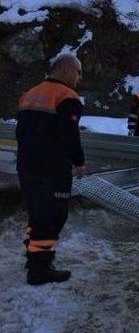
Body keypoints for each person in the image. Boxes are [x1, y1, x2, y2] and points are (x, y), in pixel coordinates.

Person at [16, 54, 85, 286]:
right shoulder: (67, 96)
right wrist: (79, 161)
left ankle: (34, 257)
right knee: (53, 216)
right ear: (66, 70)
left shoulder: (30, 94)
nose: (79, 78)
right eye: (78, 72)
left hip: (27, 166)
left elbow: (20, 133)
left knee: (36, 214)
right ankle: (40, 269)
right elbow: (70, 134)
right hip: (52, 168)